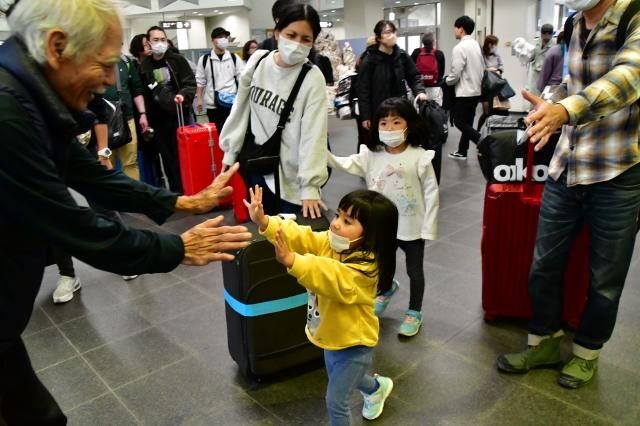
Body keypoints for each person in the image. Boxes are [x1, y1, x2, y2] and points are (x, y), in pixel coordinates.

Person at [0, 1, 253, 423]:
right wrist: (177, 248)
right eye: (102, 65)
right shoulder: (8, 112)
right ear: (57, 46)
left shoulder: (30, 98)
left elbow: (95, 178)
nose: (107, 81)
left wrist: (177, 202)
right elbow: (75, 225)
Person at [496, 0, 640, 389]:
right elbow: (575, 83)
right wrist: (554, 100)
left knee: (605, 278)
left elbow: (628, 77)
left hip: (617, 170)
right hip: (567, 165)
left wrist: (566, 110)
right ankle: (542, 342)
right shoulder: (576, 22)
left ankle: (586, 353)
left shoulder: (633, 15)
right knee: (544, 264)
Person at [244, 186, 399, 425]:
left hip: (355, 344)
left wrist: (293, 260)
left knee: (336, 402)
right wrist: (265, 222)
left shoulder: (365, 269)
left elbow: (331, 275)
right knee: (348, 378)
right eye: (338, 215)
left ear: (371, 234)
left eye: (348, 221)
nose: (336, 224)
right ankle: (377, 387)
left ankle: (374, 387)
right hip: (329, 334)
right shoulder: (332, 242)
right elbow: (303, 236)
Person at [328, 97, 439, 337]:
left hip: (412, 227)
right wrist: (319, 152)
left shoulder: (420, 157)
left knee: (414, 271)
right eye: (384, 123)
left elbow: (431, 193)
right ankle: (385, 290)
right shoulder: (371, 156)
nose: (390, 128)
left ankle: (414, 311)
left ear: (408, 125)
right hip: (380, 227)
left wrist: (428, 227)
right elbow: (344, 163)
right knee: (381, 264)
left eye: (396, 122)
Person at [219, 3, 329, 219]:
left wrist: (310, 185)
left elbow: (314, 135)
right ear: (278, 32)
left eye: (305, 39)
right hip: (259, 166)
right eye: (291, 34)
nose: (297, 44)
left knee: (290, 244)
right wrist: (230, 152)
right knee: (262, 235)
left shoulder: (312, 77)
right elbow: (240, 109)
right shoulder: (259, 60)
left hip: (292, 179)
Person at [139, 25, 197, 193]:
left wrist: (183, 96)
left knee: (183, 157)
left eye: (163, 40)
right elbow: (143, 91)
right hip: (157, 120)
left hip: (178, 117)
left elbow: (189, 83)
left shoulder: (177, 60)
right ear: (149, 43)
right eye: (156, 40)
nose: (160, 43)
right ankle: (176, 192)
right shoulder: (145, 65)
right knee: (167, 158)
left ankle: (190, 190)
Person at [357, 20, 427, 136]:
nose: (392, 36)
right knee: (380, 144)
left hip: (400, 108)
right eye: (387, 33)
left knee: (401, 140)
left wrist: (419, 91)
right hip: (378, 110)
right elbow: (363, 90)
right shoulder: (369, 60)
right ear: (378, 38)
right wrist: (365, 116)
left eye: (394, 32)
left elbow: (414, 76)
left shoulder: (402, 55)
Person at [445, 15, 484, 161]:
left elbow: (455, 73)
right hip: (476, 90)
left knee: (459, 122)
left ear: (461, 29)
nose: (454, 31)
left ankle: (483, 142)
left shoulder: (459, 47)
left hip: (464, 91)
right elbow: (481, 69)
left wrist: (447, 81)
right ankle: (462, 151)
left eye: (455, 28)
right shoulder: (475, 45)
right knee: (467, 122)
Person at [196, 27, 245, 135]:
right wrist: (199, 99)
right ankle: (220, 152)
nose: (223, 39)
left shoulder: (234, 58)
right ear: (213, 40)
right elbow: (200, 81)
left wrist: (243, 99)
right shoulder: (204, 60)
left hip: (231, 102)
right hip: (213, 104)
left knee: (233, 132)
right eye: (220, 37)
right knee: (217, 133)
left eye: (225, 37)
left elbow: (242, 79)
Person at [476, 35, 504, 131]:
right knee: (486, 112)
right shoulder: (482, 55)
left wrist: (498, 70)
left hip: (495, 86)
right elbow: (481, 69)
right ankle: (478, 130)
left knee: (494, 111)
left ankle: (491, 131)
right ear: (489, 44)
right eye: (493, 44)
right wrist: (490, 70)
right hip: (485, 87)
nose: (495, 47)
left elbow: (501, 66)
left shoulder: (497, 55)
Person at [410, 31, 446, 106]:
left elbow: (410, 70)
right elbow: (441, 73)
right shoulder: (439, 54)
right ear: (433, 42)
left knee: (419, 113)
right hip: (435, 89)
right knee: (436, 113)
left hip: (419, 90)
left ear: (422, 42)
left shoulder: (416, 52)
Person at [526, 23, 555, 97]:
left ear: (551, 35)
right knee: (534, 93)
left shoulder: (555, 44)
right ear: (541, 34)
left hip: (548, 73)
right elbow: (531, 57)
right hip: (536, 72)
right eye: (544, 35)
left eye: (548, 35)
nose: (545, 37)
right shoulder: (535, 42)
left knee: (545, 95)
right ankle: (532, 108)